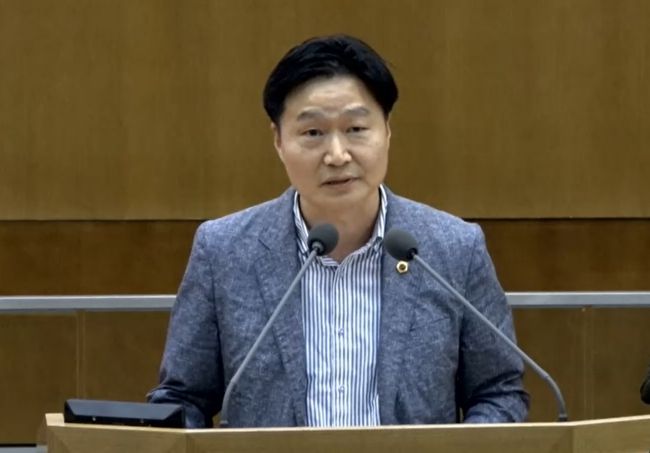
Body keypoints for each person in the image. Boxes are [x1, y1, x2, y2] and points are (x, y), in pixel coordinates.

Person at [147, 34, 529, 427]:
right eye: (313, 133)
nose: (337, 155)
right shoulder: (224, 251)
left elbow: (498, 391)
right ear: (278, 140)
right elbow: (183, 398)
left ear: (387, 130)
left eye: (356, 128)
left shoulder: (454, 248)